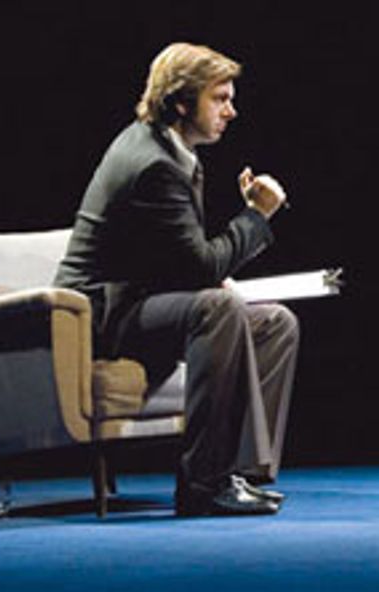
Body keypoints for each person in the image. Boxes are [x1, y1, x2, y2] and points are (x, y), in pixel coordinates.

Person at [55, 42, 298, 516]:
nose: (231, 111)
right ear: (182, 102)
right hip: (101, 317)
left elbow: (174, 256)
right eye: (219, 99)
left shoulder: (168, 148)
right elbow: (203, 266)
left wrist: (205, 276)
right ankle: (202, 484)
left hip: (139, 298)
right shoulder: (155, 164)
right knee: (218, 306)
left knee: (276, 323)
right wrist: (256, 215)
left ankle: (239, 473)